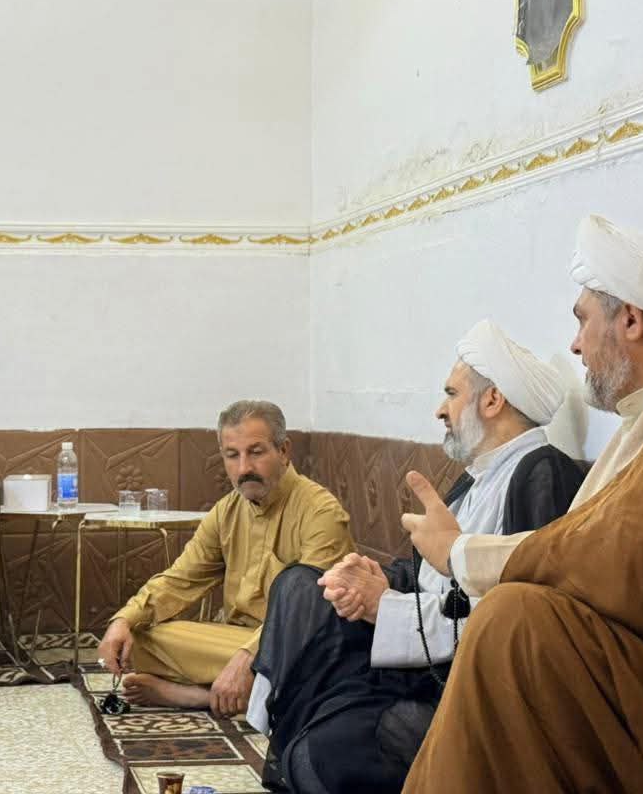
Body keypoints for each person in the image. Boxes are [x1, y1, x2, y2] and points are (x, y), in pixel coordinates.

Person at [401, 215, 643, 793]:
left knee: (512, 623)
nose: (575, 344)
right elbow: (595, 546)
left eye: (582, 319)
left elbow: (625, 562)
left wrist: (462, 554)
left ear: (631, 319)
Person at [246, 321, 582, 794]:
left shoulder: (541, 473)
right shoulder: (476, 476)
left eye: (451, 394)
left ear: (492, 401)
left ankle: (299, 752)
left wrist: (386, 605)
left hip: (451, 678)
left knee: (323, 747)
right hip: (416, 641)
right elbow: (429, 569)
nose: (440, 410)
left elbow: (514, 611)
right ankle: (290, 749)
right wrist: (373, 575)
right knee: (303, 586)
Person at [96, 400, 354, 718]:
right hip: (231, 642)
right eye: (232, 455)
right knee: (138, 637)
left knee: (311, 666)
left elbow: (311, 611)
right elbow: (179, 580)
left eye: (256, 452)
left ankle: (201, 696)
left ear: (284, 450)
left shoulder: (320, 511)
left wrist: (249, 657)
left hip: (298, 645)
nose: (244, 468)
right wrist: (123, 620)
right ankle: (245, 693)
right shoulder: (226, 511)